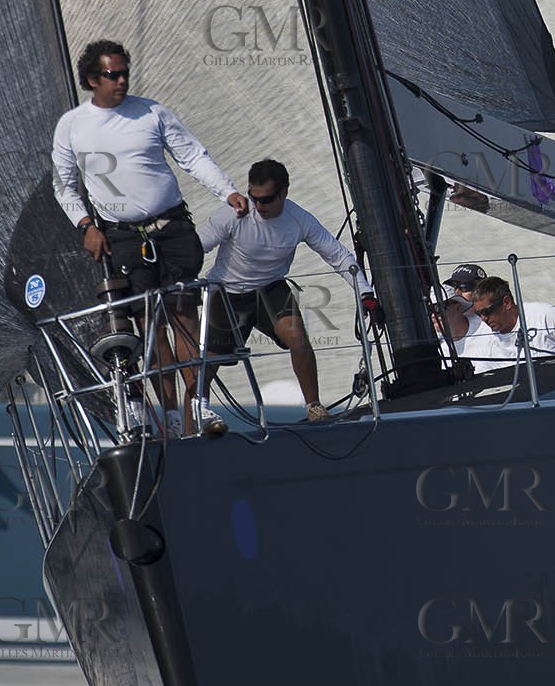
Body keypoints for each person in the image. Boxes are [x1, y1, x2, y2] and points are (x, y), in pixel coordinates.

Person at [51, 39, 248, 436]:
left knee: (185, 318)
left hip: (172, 228)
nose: (122, 80)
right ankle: (172, 418)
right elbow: (64, 186)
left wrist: (227, 192)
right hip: (123, 238)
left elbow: (192, 156)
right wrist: (87, 226)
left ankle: (199, 408)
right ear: (92, 80)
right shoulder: (72, 125)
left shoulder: (153, 112)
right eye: (113, 75)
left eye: (125, 73)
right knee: (151, 325)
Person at [196, 159, 378, 427]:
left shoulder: (299, 219)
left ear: (284, 192)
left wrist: (365, 293)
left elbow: (338, 256)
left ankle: (314, 407)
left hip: (270, 288)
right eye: (254, 197)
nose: (259, 205)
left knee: (297, 338)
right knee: (210, 359)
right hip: (227, 292)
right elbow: (195, 247)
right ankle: (195, 413)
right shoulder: (233, 213)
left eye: (267, 199)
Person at [468, 275, 555, 373]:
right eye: (479, 314)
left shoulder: (547, 315)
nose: (483, 318)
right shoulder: (484, 338)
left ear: (506, 302)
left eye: (487, 311)